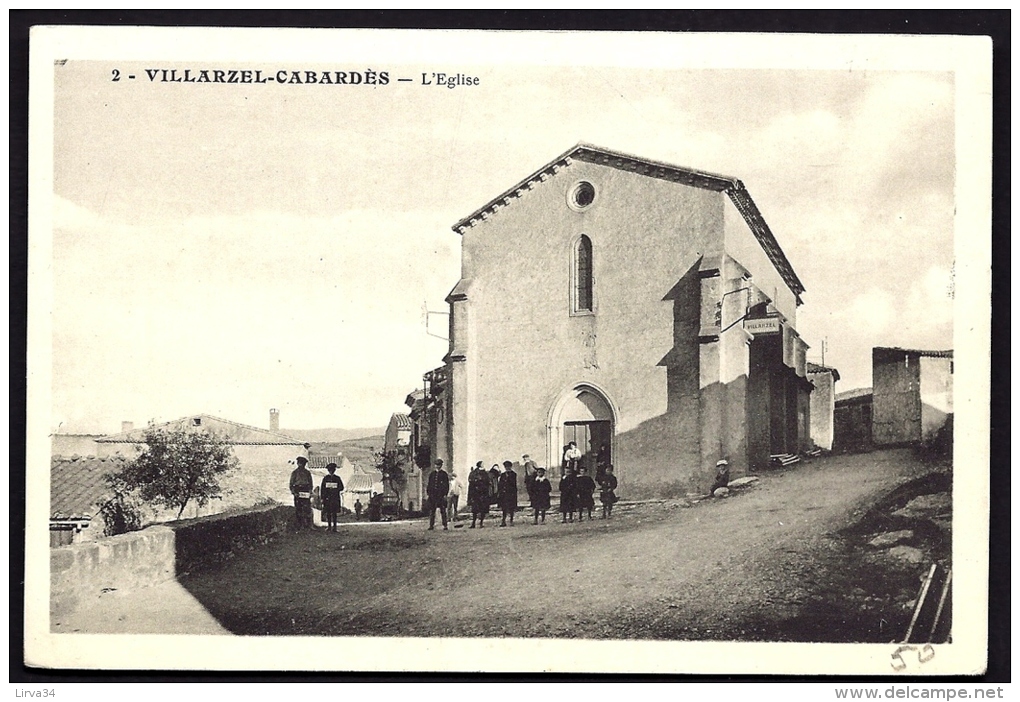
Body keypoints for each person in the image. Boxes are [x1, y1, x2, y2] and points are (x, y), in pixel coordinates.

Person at [289, 456, 314, 530]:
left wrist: (309, 491)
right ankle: (299, 525)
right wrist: (294, 492)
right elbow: (291, 484)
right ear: (297, 464)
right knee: (298, 508)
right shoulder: (294, 473)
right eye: (300, 463)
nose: (301, 465)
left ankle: (308, 525)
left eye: (303, 464)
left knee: (307, 508)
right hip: (298, 490)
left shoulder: (307, 473)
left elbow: (310, 483)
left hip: (305, 490)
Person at [426, 459, 451, 531]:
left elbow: (446, 485)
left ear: (441, 465)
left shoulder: (444, 474)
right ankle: (431, 525)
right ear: (435, 465)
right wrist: (429, 493)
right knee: (432, 511)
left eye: (439, 465)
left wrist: (445, 494)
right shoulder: (432, 474)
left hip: (441, 495)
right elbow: (429, 484)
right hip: (433, 495)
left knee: (443, 510)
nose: (437, 466)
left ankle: (445, 525)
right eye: (436, 465)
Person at [320, 462, 344, 532]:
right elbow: (322, 489)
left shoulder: (337, 478)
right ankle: (329, 526)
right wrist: (322, 498)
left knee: (334, 513)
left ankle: (335, 527)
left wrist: (335, 488)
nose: (331, 471)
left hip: (335, 498)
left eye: (332, 470)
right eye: (330, 470)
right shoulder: (325, 478)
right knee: (328, 513)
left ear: (334, 470)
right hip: (327, 498)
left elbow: (341, 487)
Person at [467, 461, 490, 528]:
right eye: (482, 464)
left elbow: (487, 482)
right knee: (475, 509)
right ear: (480, 465)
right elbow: (471, 482)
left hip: (483, 493)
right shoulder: (474, 473)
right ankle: (473, 523)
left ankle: (480, 523)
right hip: (476, 494)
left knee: (482, 509)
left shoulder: (485, 473)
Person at [497, 460, 518, 527]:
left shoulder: (513, 474)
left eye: (508, 467)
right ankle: (503, 521)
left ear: (510, 467)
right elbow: (500, 484)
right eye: (506, 467)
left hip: (511, 493)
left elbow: (513, 484)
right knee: (504, 508)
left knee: (511, 507)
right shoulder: (503, 475)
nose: (507, 468)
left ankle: (511, 521)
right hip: (504, 494)